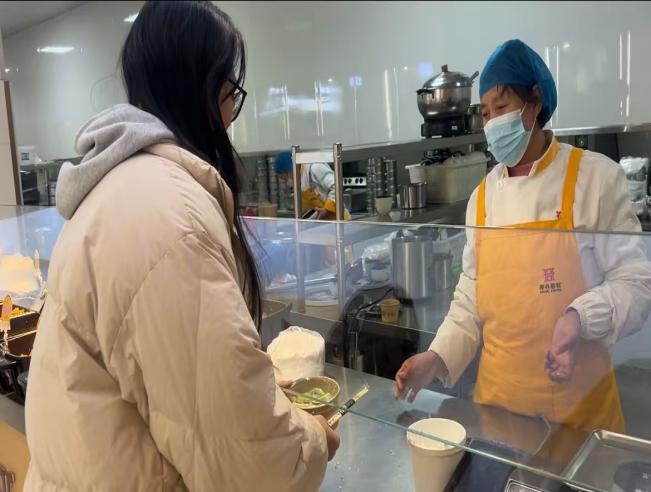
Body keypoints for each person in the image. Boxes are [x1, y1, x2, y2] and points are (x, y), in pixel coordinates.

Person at [24, 2, 338, 491]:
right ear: (198, 89)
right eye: (230, 92)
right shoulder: (170, 216)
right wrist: (310, 439)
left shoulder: (122, 187)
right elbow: (246, 460)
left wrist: (255, 394)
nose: (231, 115)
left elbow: (183, 393)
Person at [394, 39, 651, 432]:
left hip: (581, 417)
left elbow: (636, 284)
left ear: (534, 102)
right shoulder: (483, 198)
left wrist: (579, 318)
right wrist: (437, 357)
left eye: (502, 108)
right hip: (500, 413)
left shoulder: (595, 179)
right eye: (485, 113)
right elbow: (471, 298)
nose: (492, 123)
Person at [275, 150, 349, 220]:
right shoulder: (299, 180)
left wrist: (327, 209)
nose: (286, 182)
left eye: (285, 179)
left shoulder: (314, 168)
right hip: (323, 222)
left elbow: (337, 185)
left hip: (339, 220)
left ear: (291, 169)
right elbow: (314, 209)